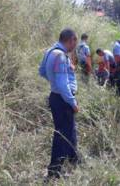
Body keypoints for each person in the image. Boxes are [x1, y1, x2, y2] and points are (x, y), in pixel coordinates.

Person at [39, 28, 79, 180]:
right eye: (74, 42)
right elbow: (63, 85)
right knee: (62, 135)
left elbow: (42, 71)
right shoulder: (61, 56)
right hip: (63, 99)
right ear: (71, 40)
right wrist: (72, 102)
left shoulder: (50, 52)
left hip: (56, 97)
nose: (74, 46)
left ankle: (74, 160)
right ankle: (54, 171)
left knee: (69, 131)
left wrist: (54, 82)